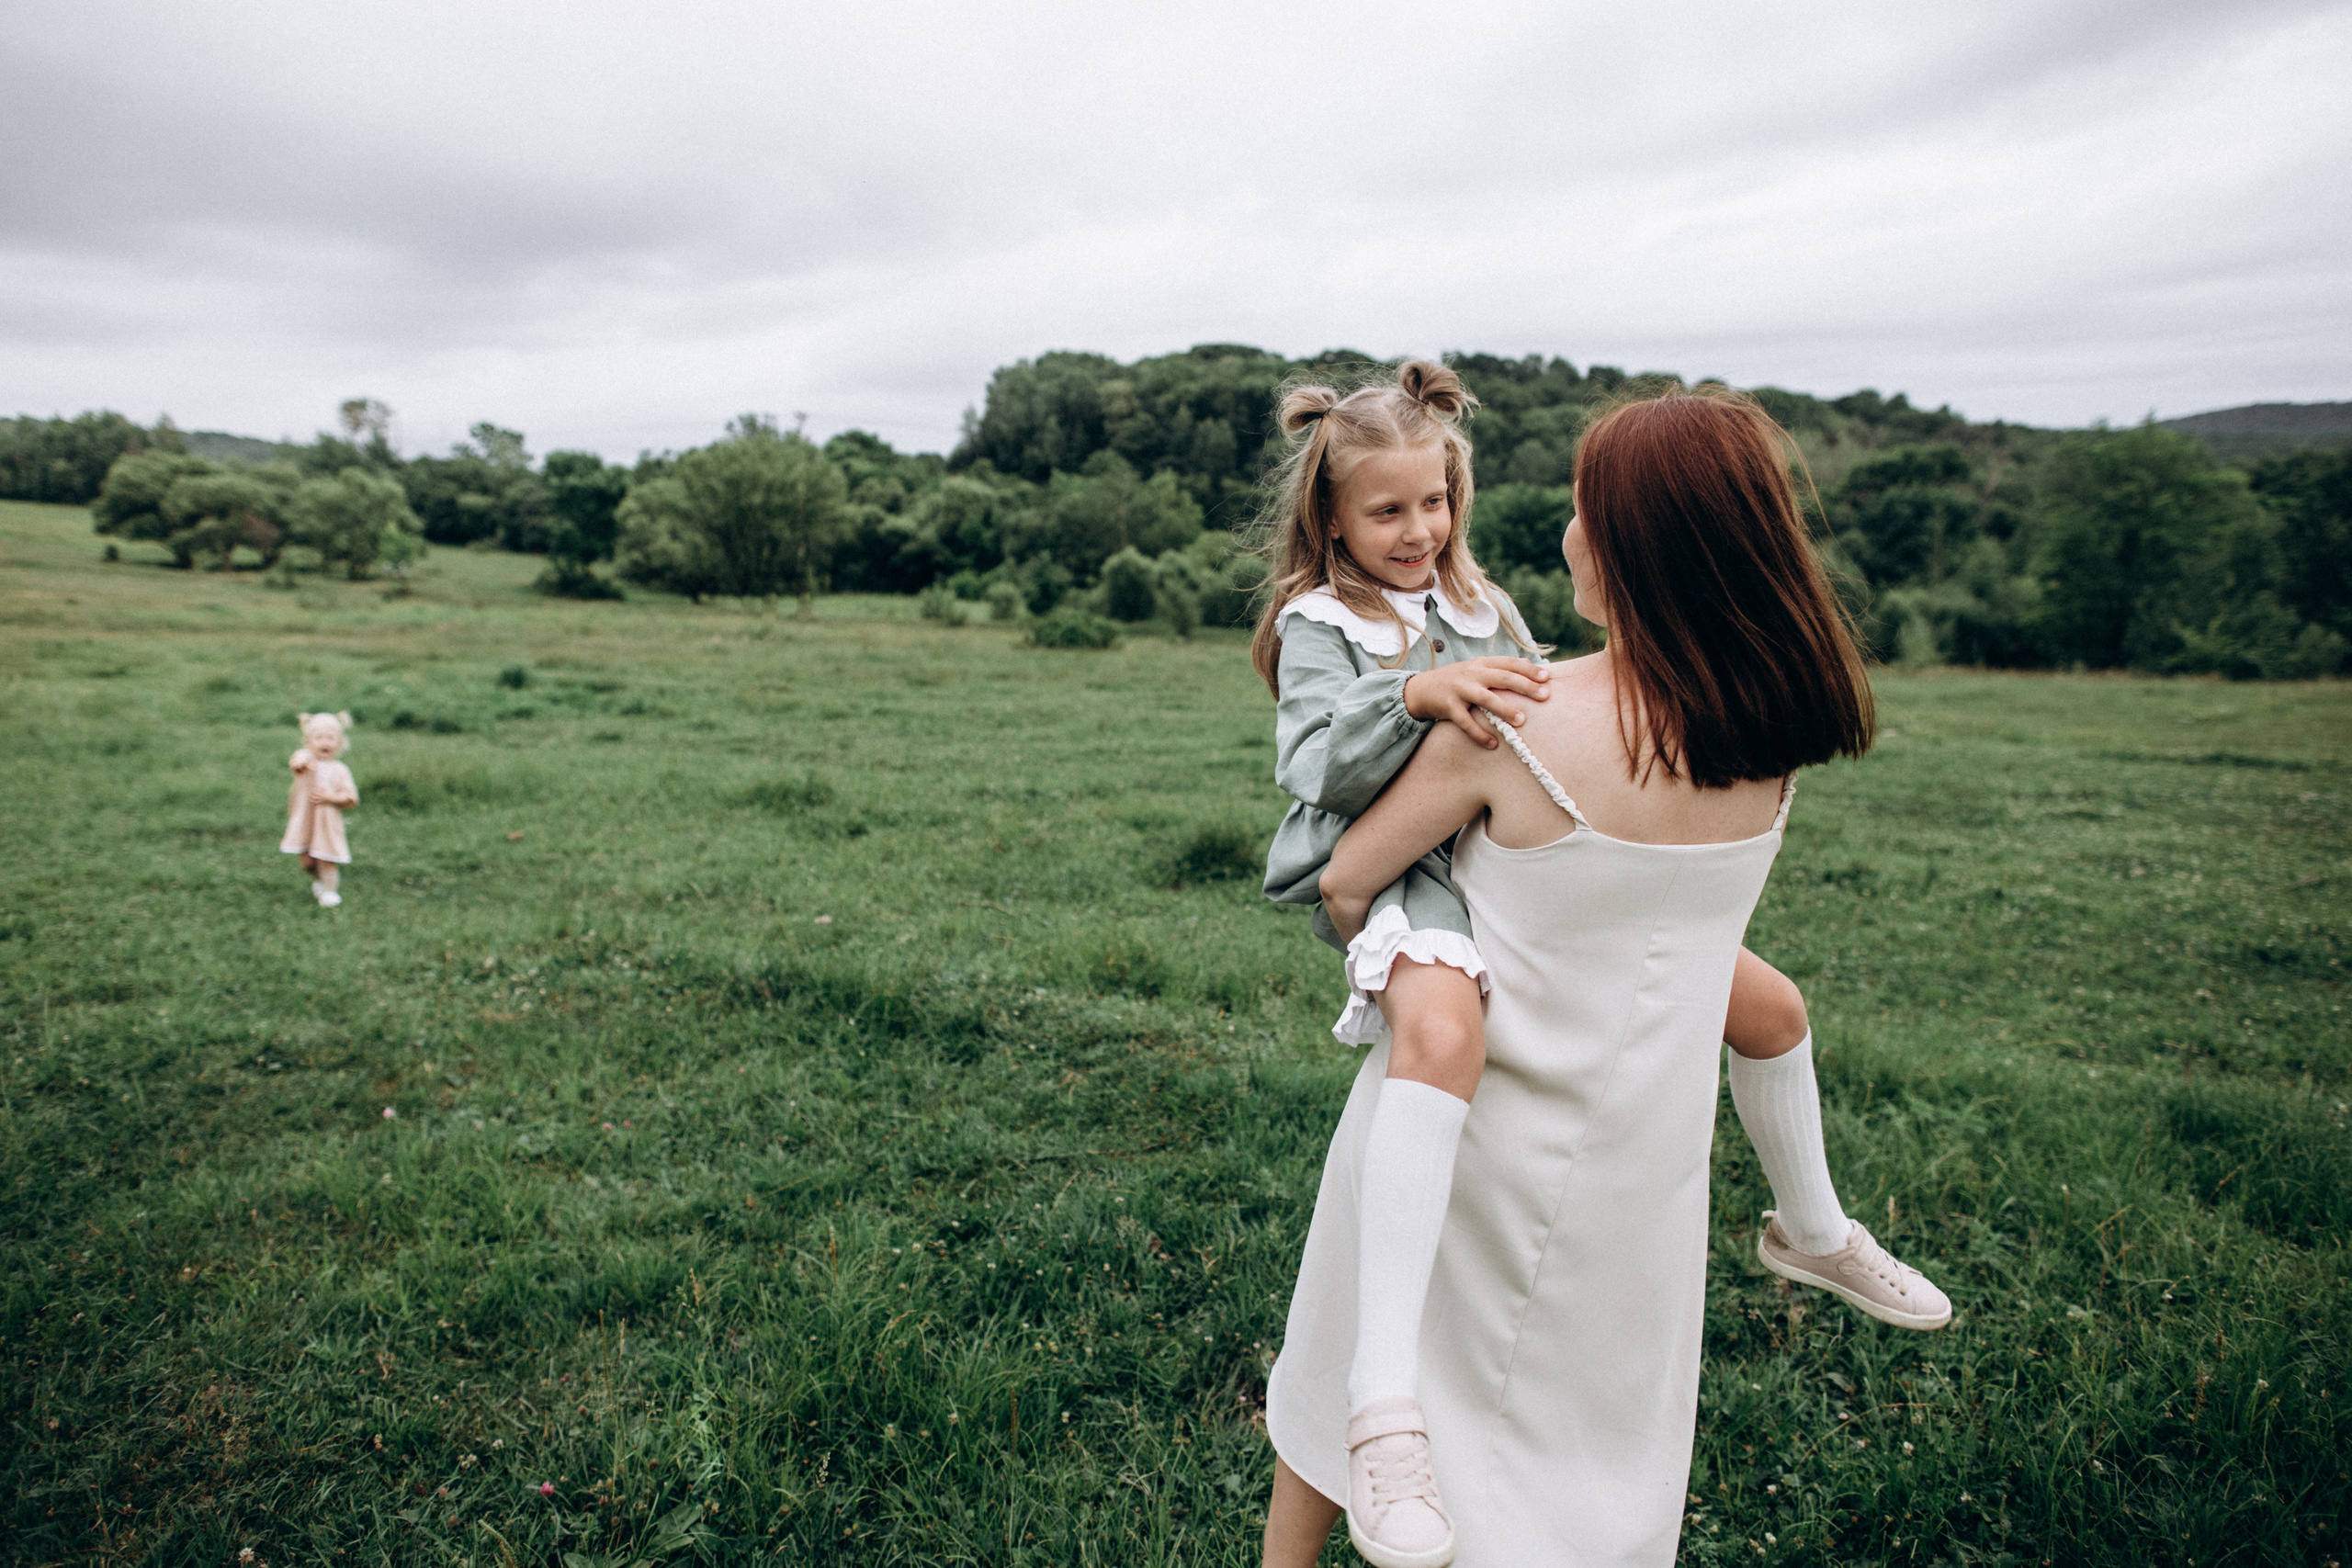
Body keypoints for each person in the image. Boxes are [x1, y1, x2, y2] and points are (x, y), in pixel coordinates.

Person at [1261, 387, 1951, 1568]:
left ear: (1630, 544)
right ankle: (1814, 1225)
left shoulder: (1514, 720)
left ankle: (1364, 1450)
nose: (1566, 534)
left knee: (1351, 1336)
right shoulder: (1764, 728)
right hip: (1641, 1144)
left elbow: (1342, 880)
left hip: (1470, 1117)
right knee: (1585, 1427)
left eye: (1583, 511)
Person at [281, 710, 358, 907]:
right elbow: (296, 763)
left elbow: (350, 798)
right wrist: (302, 762)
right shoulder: (306, 760)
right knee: (307, 861)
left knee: (326, 857)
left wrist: (330, 797)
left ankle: (330, 893)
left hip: (327, 820)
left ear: (339, 743)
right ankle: (319, 880)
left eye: (331, 738)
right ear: (308, 741)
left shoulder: (340, 770)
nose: (325, 743)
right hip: (305, 818)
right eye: (318, 738)